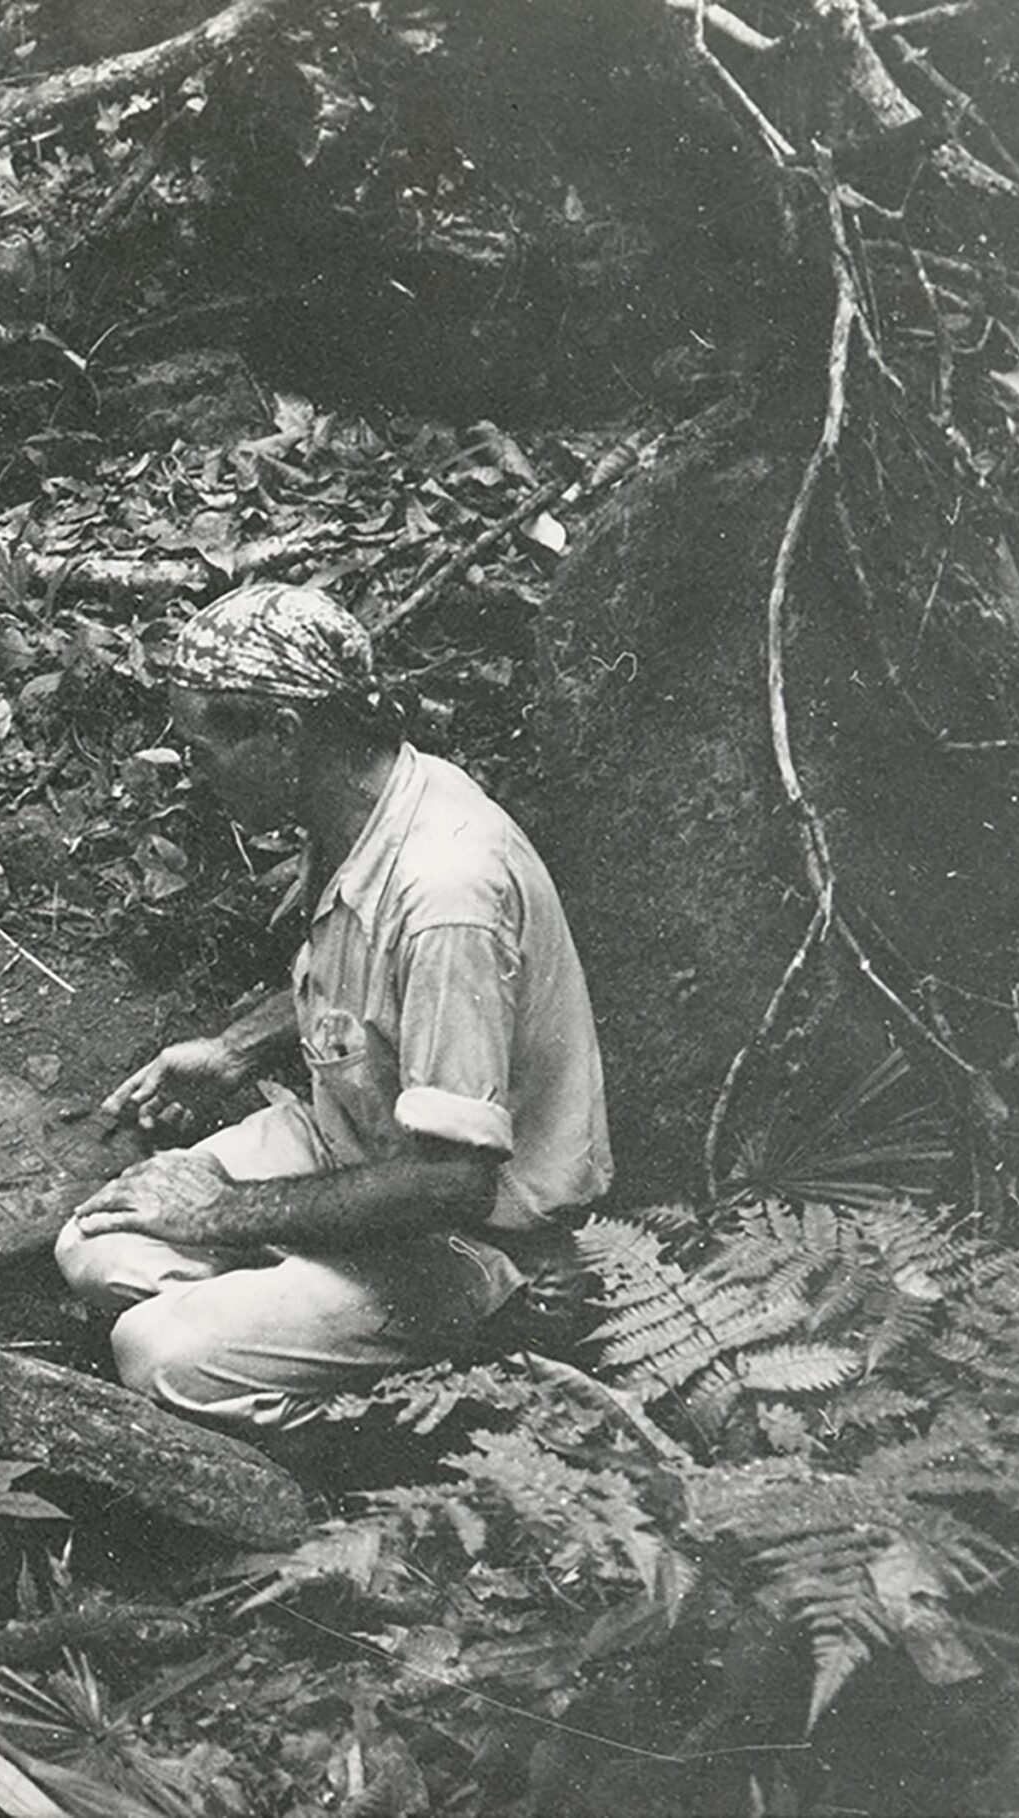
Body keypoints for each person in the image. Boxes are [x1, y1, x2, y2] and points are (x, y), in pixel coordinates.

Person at [56, 581, 611, 1433]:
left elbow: (454, 1182)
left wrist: (222, 1215)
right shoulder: (357, 801)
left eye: (204, 748)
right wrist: (238, 1048)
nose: (192, 774)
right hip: (350, 1136)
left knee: (158, 1351)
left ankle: (440, 1408)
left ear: (283, 733)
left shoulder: (447, 892)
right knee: (96, 1243)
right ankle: (300, 1315)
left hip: (474, 1236)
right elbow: (367, 984)